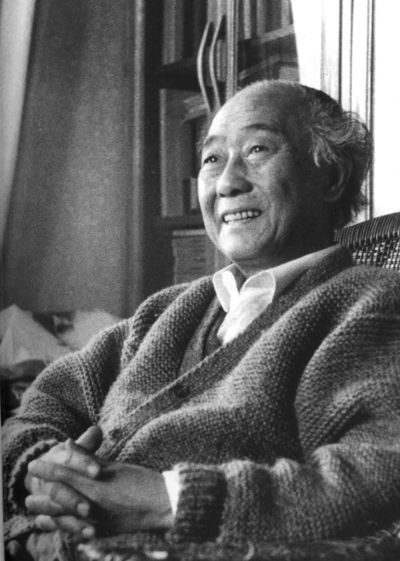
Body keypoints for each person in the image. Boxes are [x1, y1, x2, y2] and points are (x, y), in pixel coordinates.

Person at [4, 79, 400, 560]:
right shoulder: (169, 311)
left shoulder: (370, 304)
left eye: (257, 150)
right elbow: (43, 403)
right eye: (212, 158)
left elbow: (376, 474)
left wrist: (168, 501)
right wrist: (42, 470)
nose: (227, 182)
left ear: (331, 177)